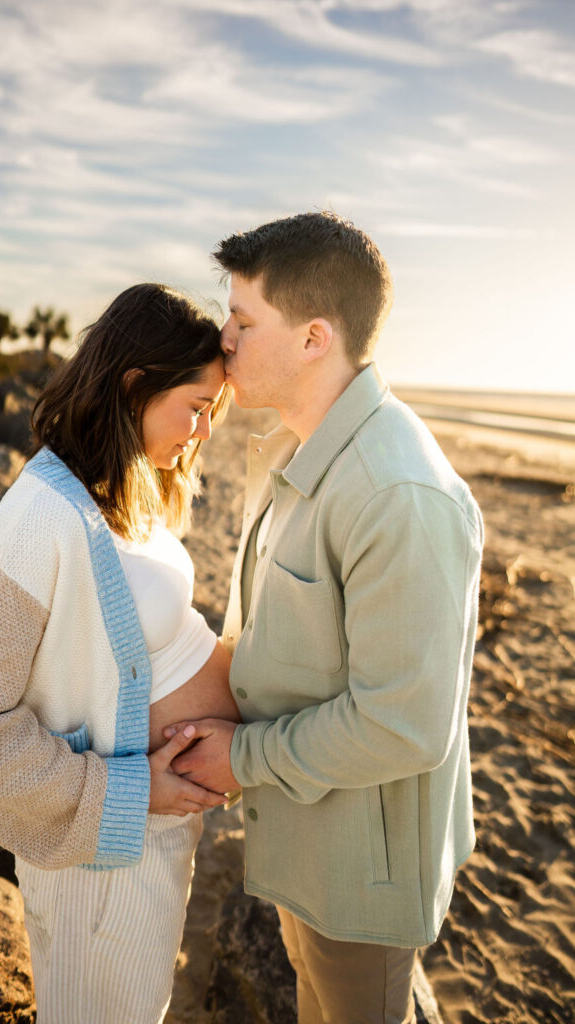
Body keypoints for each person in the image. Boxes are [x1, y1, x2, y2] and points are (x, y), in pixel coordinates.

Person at [164, 212, 484, 1024]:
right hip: (305, 843)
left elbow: (405, 724)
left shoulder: (396, 495)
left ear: (312, 339)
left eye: (243, 321)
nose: (222, 338)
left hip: (362, 875)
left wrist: (244, 757)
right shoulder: (288, 450)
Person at [0, 282, 240, 1024]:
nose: (203, 430)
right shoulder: (37, 521)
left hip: (143, 852)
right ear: (134, 386)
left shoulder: (119, 494)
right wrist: (128, 793)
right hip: (103, 871)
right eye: (195, 406)